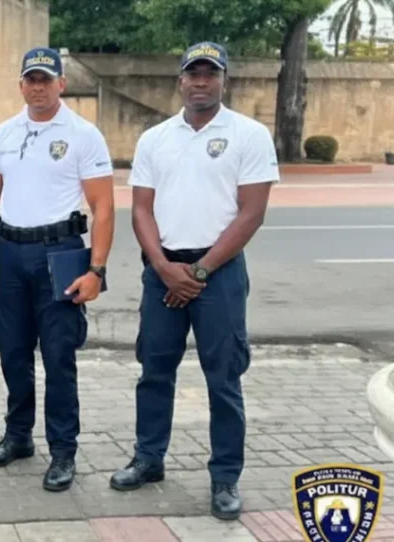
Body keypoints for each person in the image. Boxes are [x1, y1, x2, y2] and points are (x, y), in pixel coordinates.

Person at [108, 41, 279, 521]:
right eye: (193, 73)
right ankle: (148, 458)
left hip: (218, 276)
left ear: (224, 80)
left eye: (210, 73)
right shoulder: (155, 139)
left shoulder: (249, 135)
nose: (200, 81)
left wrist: (199, 271)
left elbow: (252, 213)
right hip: (162, 271)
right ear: (180, 80)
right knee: (154, 371)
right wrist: (163, 266)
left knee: (223, 379)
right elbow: (141, 208)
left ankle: (225, 477)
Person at [0, 47, 115, 492]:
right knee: (12, 353)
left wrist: (96, 269)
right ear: (21, 84)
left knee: (58, 357)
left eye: (46, 79)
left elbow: (104, 206)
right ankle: (18, 437)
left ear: (61, 83)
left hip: (61, 255)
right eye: (30, 79)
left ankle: (62, 451)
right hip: (11, 255)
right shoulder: (4, 134)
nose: (38, 87)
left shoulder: (82, 134)